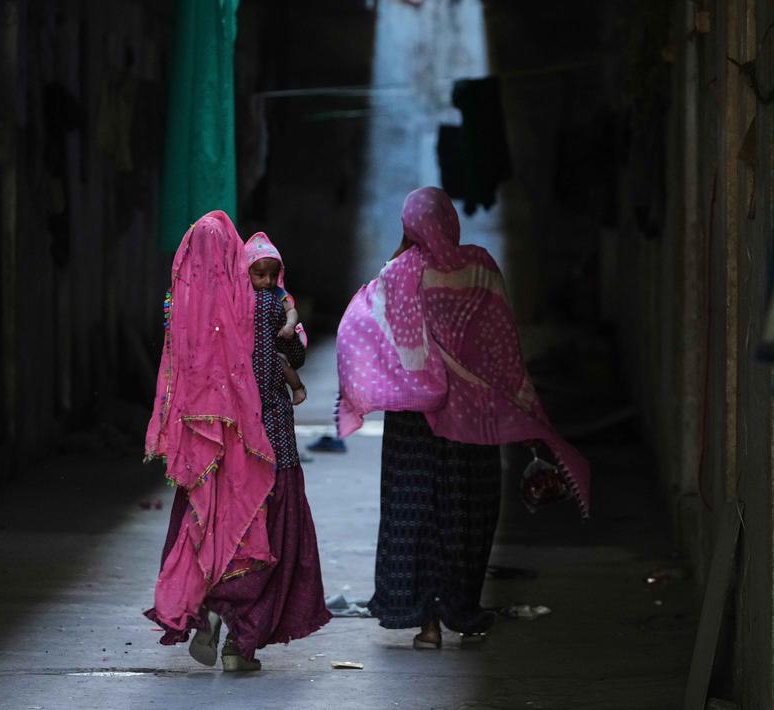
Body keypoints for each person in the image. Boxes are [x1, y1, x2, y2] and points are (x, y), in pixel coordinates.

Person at [336, 187, 591, 649]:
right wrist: (519, 407)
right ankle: (460, 609)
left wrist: (380, 385)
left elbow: (361, 330)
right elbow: (502, 346)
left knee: (414, 511)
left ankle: (426, 623)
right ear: (451, 221)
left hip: (414, 417)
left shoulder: (395, 274)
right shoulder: (480, 269)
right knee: (465, 512)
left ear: (408, 225)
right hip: (472, 419)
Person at [144, 212, 330, 672]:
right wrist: (290, 327)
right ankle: (239, 643)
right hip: (265, 443)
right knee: (261, 533)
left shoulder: (181, 310)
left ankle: (207, 611)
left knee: (209, 531)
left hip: (207, 452)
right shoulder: (261, 306)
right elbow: (293, 355)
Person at [245, 232, 309, 405]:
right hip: (249, 349)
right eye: (261, 275)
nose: (268, 281)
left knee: (281, 364)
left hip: (273, 346)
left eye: (273, 275)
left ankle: (298, 388)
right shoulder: (242, 294)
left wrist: (289, 325)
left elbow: (291, 310)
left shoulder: (278, 293)